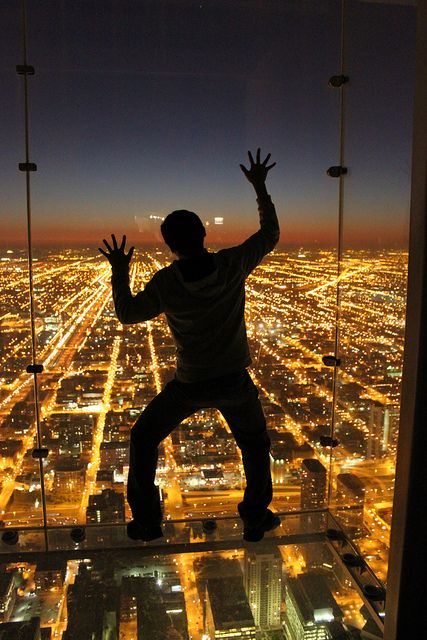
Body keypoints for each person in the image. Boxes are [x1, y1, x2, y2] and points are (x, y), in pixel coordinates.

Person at [99, 148, 280, 542]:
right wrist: (260, 188)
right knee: (253, 443)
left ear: (169, 245)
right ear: (203, 235)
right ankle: (254, 516)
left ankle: (147, 521)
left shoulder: (166, 282)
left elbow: (128, 313)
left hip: (190, 384)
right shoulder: (232, 265)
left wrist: (118, 272)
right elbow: (269, 236)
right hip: (233, 382)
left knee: (144, 438)